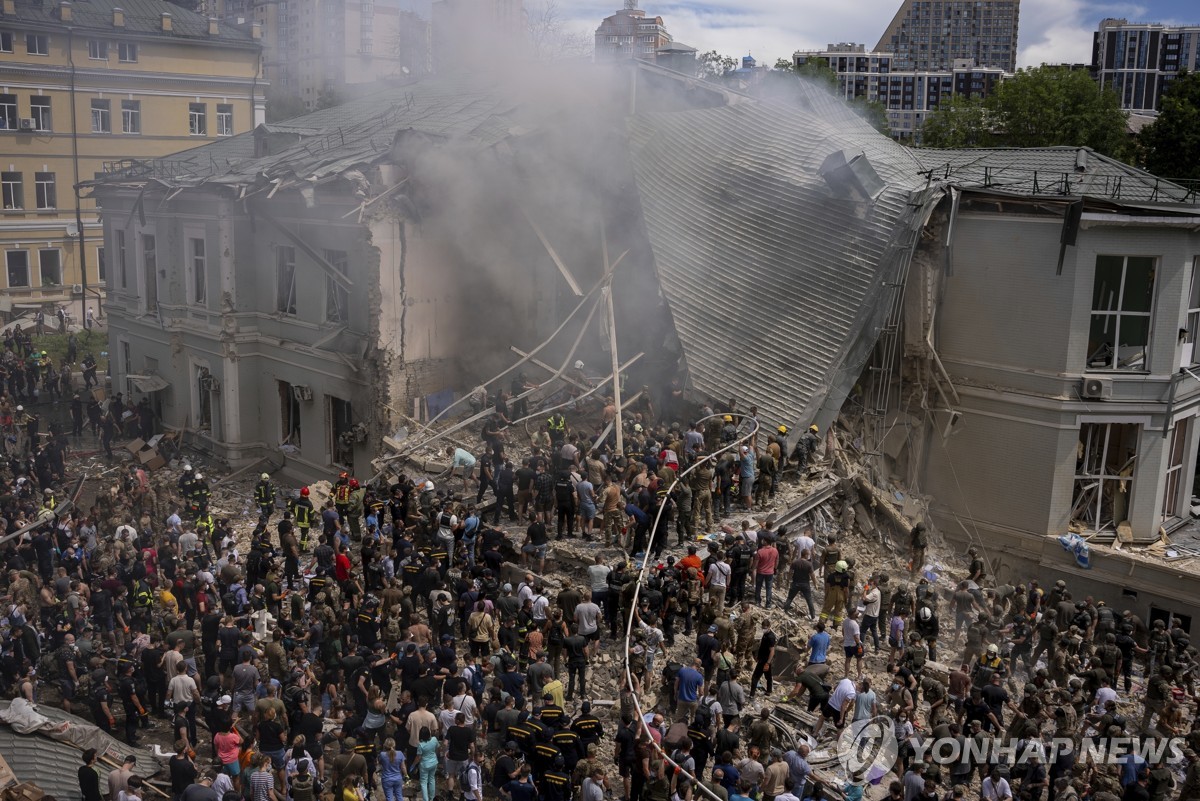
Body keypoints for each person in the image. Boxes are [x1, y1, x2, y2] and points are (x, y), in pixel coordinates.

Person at [416, 726, 441, 801]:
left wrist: (414, 764)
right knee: (432, 779)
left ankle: (425, 799)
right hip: (434, 762)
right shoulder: (434, 739)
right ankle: (432, 798)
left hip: (424, 765)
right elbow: (438, 749)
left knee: (423, 783)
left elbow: (418, 757)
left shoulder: (421, 745)